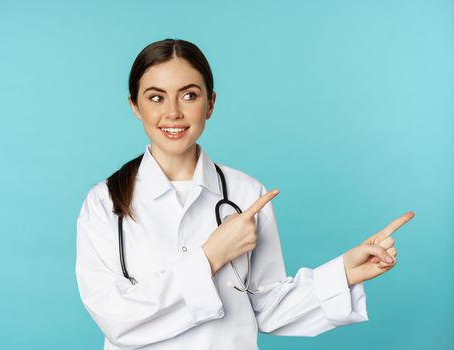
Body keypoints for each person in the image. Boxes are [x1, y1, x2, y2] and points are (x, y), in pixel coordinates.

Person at [75, 38, 415, 350]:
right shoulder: (104, 203)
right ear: (134, 106)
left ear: (210, 104)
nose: (173, 112)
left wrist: (345, 272)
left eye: (189, 95)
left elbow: (267, 307)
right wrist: (211, 256)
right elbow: (114, 317)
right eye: (156, 97)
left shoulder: (246, 194)